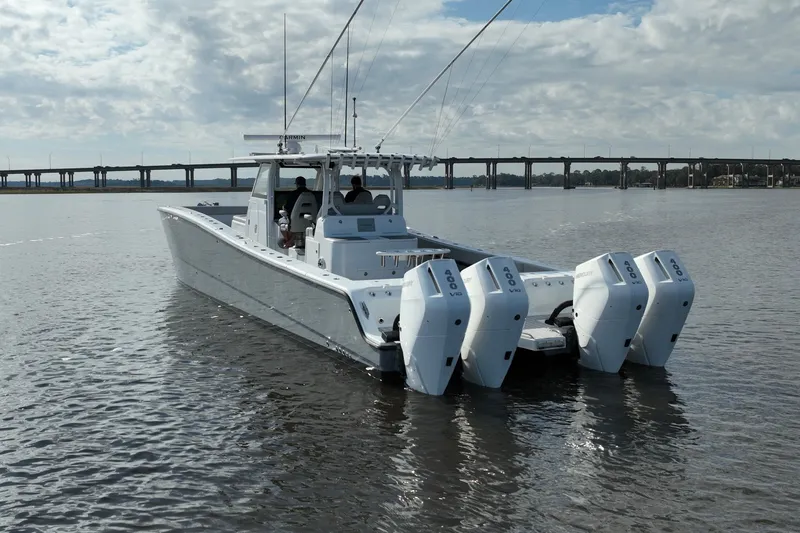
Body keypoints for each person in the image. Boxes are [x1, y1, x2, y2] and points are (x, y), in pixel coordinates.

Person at [279, 176, 310, 248]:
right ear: (305, 184)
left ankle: (288, 241)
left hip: (295, 220)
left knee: (281, 222)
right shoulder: (311, 194)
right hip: (310, 220)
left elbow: (286, 208)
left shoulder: (292, 194)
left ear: (297, 184)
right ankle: (291, 241)